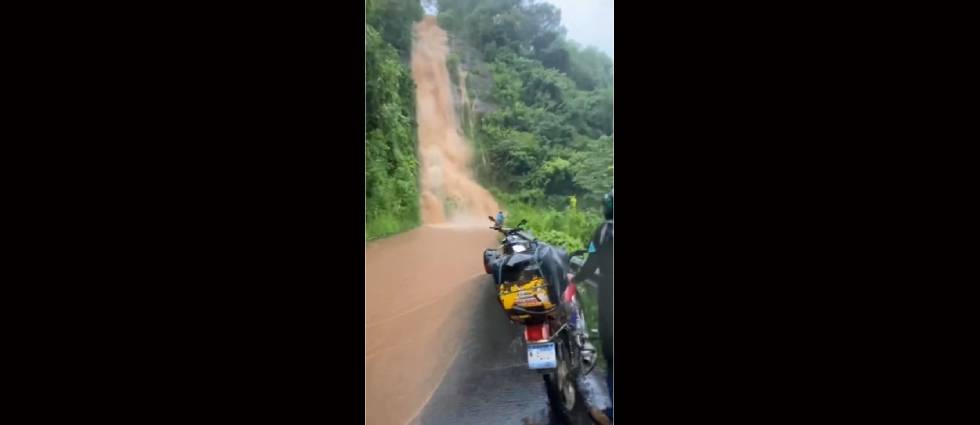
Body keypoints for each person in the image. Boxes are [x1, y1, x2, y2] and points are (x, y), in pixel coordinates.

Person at [575, 189, 614, 422]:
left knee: (612, 355)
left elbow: (590, 264)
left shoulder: (602, 232)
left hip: (610, 297)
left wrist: (575, 278)